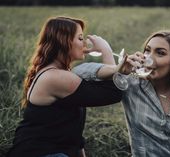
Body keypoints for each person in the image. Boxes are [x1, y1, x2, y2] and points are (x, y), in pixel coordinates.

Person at [7, 16, 123, 157]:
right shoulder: (56, 77)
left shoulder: (55, 72)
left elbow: (71, 129)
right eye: (80, 38)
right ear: (64, 41)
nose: (84, 44)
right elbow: (112, 93)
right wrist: (106, 50)